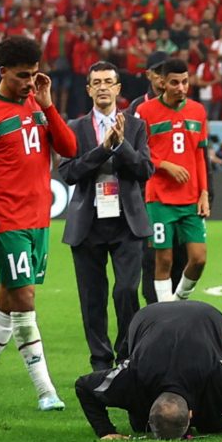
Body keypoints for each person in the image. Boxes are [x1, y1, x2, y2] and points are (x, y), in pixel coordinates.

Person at [0, 36, 77, 411]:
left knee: (8, 300)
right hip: (6, 218)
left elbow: (70, 148)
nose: (29, 82)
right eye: (23, 76)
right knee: (25, 300)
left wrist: (49, 106)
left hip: (39, 218)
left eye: (35, 74)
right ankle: (45, 390)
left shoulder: (36, 103)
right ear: (2, 70)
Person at [76, 298, 222, 441]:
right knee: (138, 425)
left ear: (191, 414)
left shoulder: (216, 372)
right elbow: (83, 386)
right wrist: (105, 431)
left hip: (207, 317)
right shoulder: (132, 375)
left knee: (216, 424)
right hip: (146, 320)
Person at [56, 61, 150, 375]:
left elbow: (144, 171)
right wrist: (103, 149)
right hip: (88, 223)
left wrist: (120, 145)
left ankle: (126, 356)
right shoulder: (74, 127)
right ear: (88, 89)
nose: (102, 87)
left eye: (108, 81)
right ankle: (100, 361)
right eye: (96, 82)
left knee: (125, 291)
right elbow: (67, 172)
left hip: (127, 222)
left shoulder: (135, 126)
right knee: (92, 298)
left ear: (119, 88)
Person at [135, 56, 210, 303]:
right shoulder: (145, 111)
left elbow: (200, 154)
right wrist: (164, 165)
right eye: (175, 82)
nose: (181, 87)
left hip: (190, 199)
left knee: (199, 258)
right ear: (163, 84)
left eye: (185, 82)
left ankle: (177, 302)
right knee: (164, 259)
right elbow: (138, 152)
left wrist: (204, 193)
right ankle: (165, 311)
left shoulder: (198, 111)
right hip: (159, 198)